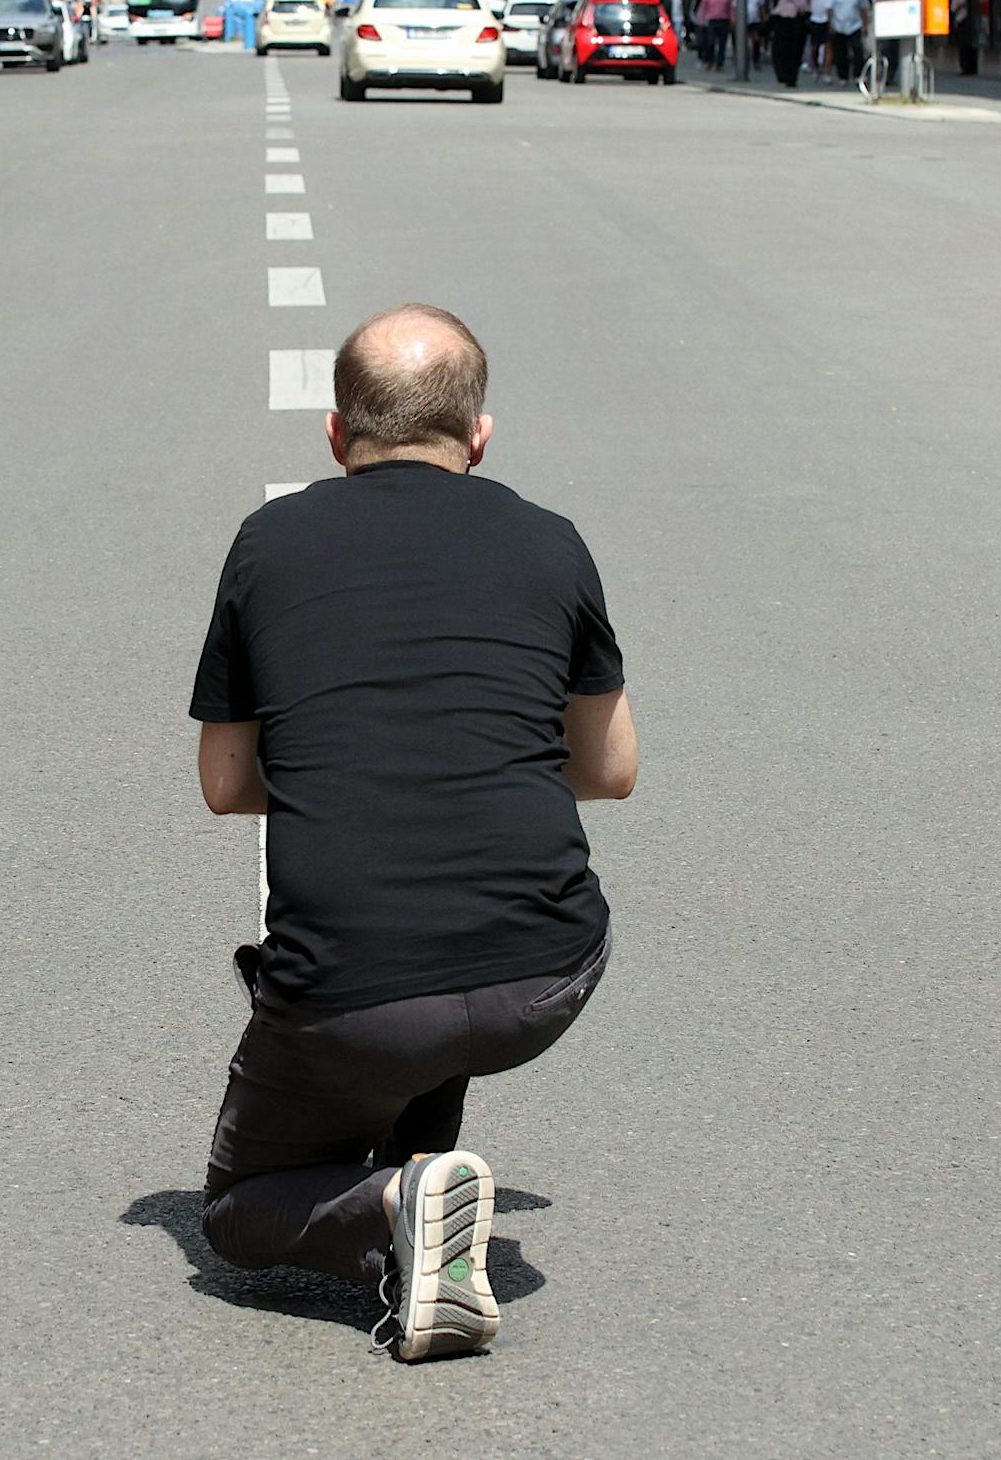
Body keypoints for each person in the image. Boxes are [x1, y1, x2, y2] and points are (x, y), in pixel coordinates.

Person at [191, 305, 636, 1364]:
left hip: (354, 991)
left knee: (235, 1211)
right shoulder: (550, 538)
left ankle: (398, 1196)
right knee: (445, 920)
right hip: (545, 971)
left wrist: (339, 768)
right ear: (478, 437)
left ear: (336, 435)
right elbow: (610, 770)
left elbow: (223, 783)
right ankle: (430, 1183)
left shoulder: (270, 539)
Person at [801, 0, 844, 80]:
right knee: (814, 47)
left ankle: (827, 72)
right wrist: (806, 10)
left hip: (829, 18)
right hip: (815, 17)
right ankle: (815, 67)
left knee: (828, 45)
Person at [827, 0, 870, 87]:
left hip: (854, 25)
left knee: (857, 50)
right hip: (839, 25)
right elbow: (829, 8)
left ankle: (857, 75)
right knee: (841, 53)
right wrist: (830, 24)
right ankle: (843, 76)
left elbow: (864, 9)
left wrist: (865, 25)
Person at [769, 0, 808, 88]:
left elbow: (806, 14)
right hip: (782, 35)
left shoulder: (800, 0)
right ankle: (784, 76)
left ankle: (792, 78)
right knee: (782, 56)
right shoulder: (782, 1)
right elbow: (774, 18)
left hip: (797, 35)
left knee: (795, 57)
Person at [695, 0, 734, 71]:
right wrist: (701, 20)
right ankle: (710, 61)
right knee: (710, 42)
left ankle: (720, 64)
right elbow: (703, 8)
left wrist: (733, 20)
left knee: (722, 44)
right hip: (712, 21)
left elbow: (731, 9)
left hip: (724, 21)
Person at [745, 0, 768, 67]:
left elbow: (761, 5)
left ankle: (756, 59)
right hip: (744, 21)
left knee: (756, 39)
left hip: (755, 20)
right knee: (743, 40)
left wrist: (764, 16)